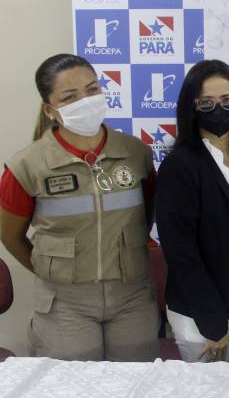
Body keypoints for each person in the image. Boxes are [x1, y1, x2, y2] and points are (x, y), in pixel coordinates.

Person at [0, 53, 159, 361]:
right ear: (49, 110)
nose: (85, 101)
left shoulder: (135, 153)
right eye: (70, 97)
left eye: (92, 89)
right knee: (70, 386)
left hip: (132, 297)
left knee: (134, 383)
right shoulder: (26, 166)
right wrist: (51, 270)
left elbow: (146, 213)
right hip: (65, 302)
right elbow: (10, 236)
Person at [156, 60, 229, 363]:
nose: (219, 109)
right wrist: (212, 323)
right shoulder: (179, 166)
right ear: (191, 107)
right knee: (208, 391)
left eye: (228, 100)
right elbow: (181, 253)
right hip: (202, 314)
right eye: (207, 102)